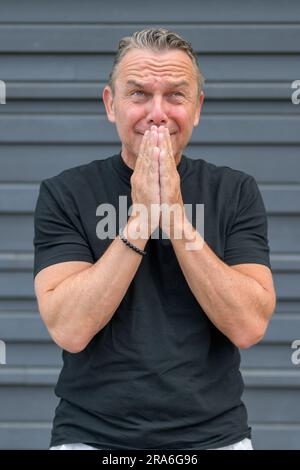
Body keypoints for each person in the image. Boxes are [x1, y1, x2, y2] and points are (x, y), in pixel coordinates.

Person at [33, 28, 276, 451]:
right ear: (111, 104)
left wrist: (176, 218)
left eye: (176, 96)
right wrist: (142, 217)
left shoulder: (235, 191)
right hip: (92, 438)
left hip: (214, 439)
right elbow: (69, 328)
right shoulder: (64, 192)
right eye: (139, 94)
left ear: (197, 108)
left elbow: (249, 325)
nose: (158, 113)